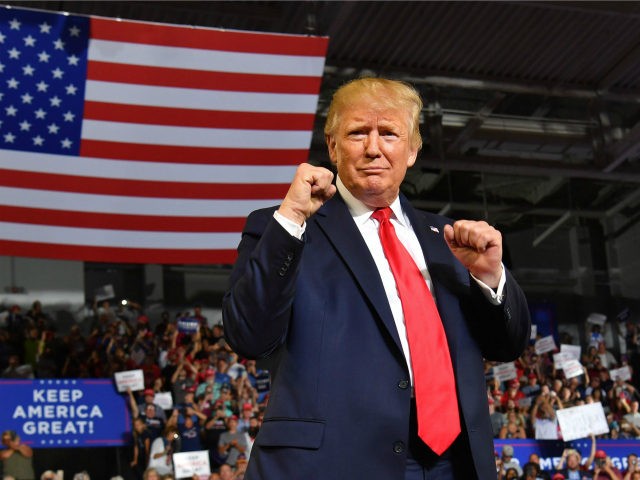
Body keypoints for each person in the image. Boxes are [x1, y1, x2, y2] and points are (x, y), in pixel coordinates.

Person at [222, 77, 531, 479]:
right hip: (334, 464)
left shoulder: (452, 240)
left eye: (389, 133)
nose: (373, 147)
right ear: (332, 146)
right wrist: (293, 217)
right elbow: (248, 335)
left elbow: (508, 344)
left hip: (454, 465)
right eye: (357, 133)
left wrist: (490, 277)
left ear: (413, 150)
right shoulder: (285, 228)